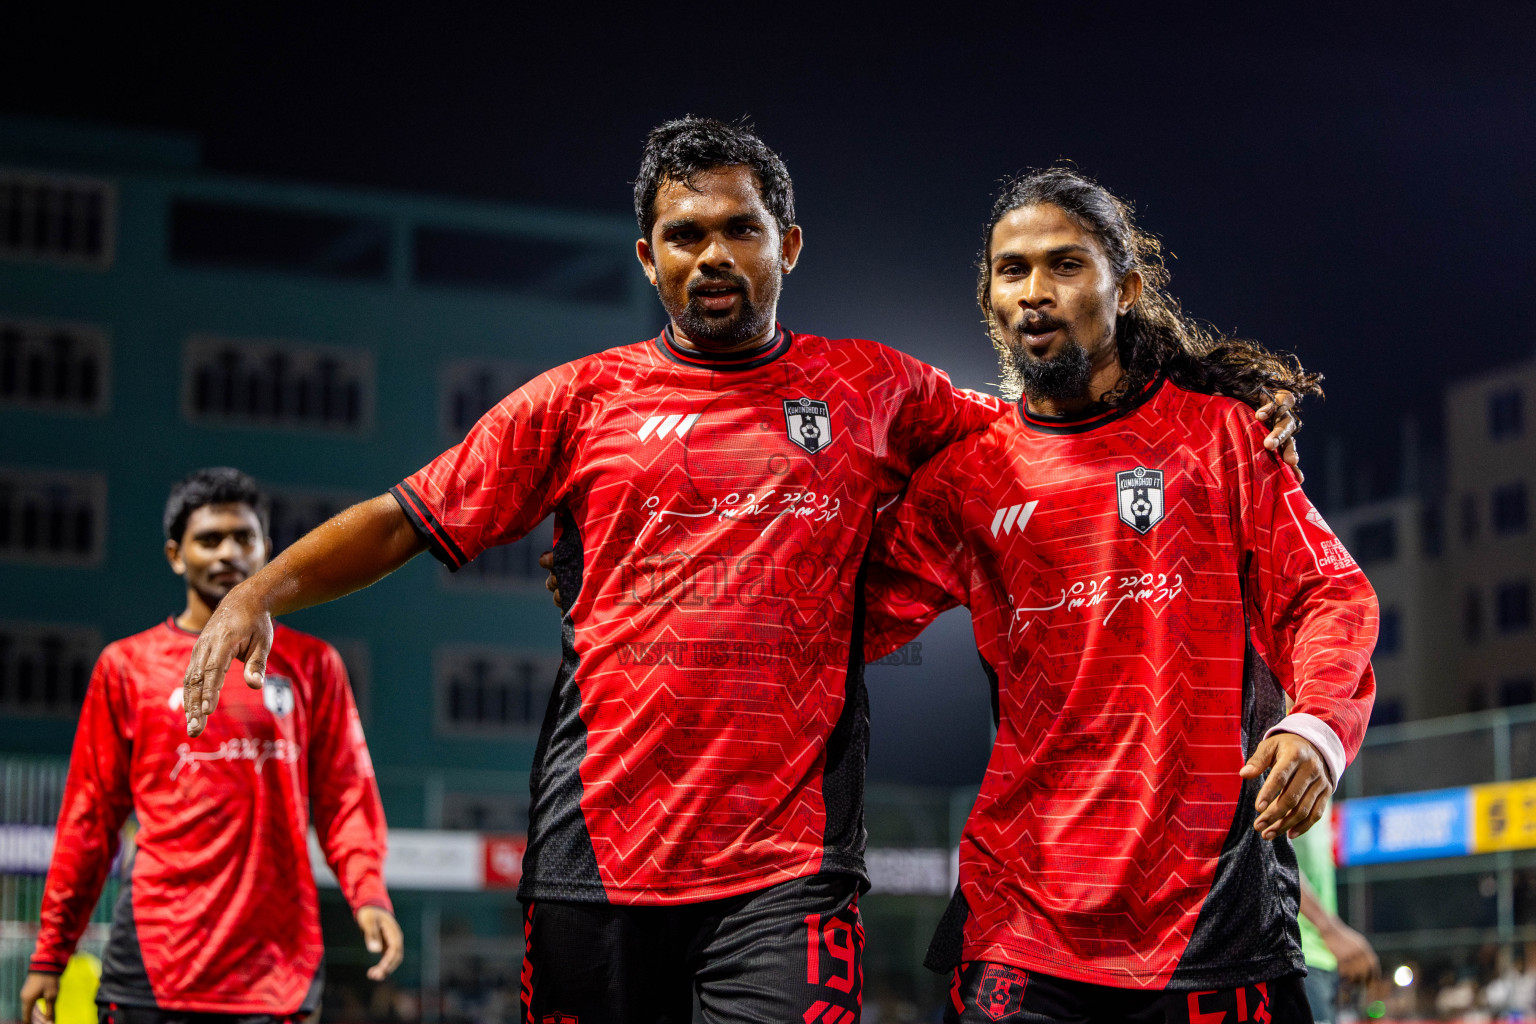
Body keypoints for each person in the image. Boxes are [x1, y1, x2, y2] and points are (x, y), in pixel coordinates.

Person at [178, 120, 1300, 1024]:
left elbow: (1056, 422)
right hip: (596, 856)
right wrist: (256, 590)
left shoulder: (875, 387)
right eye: (684, 235)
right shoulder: (580, 401)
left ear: (789, 245)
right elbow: (405, 518)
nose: (713, 255)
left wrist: (1214, 411)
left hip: (789, 869)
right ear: (647, 257)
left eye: (740, 230)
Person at [862, 169, 1378, 1022]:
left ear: (1126, 287)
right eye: (1012, 269)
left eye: (1065, 265)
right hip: (1021, 920)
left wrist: (1318, 724)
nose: (1034, 292)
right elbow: (835, 605)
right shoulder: (972, 477)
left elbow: (1325, 593)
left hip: (1211, 923)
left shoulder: (1218, 438)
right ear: (989, 295)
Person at [21, 468, 400, 1024]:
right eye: (208, 539)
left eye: (243, 538)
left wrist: (368, 893)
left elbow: (346, 795)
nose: (228, 553)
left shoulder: (315, 665)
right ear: (177, 555)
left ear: (268, 550)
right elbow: (89, 819)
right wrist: (52, 951)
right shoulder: (126, 667)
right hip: (153, 968)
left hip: (278, 974)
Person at [1295, 799, 1379, 1022]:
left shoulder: (1323, 774)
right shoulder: (1280, 765)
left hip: (1318, 959)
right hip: (1292, 954)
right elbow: (1265, 851)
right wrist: (1328, 928)